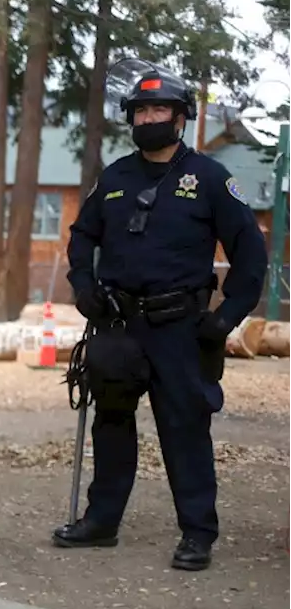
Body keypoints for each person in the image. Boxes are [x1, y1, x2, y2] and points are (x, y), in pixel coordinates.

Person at [52, 61, 266, 572]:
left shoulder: (211, 178)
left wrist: (225, 318)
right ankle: (101, 522)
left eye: (160, 109)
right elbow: (83, 236)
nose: (150, 117)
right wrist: (83, 286)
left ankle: (197, 534)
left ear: (181, 117)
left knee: (184, 429)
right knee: (112, 422)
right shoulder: (116, 176)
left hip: (180, 329)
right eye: (141, 109)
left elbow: (250, 255)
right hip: (120, 326)